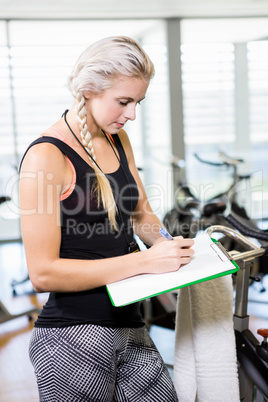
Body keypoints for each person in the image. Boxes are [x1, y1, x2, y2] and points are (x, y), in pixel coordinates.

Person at [19, 36, 194, 402]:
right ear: (88, 90)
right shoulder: (46, 156)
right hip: (71, 334)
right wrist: (144, 260)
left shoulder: (119, 139)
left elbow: (143, 213)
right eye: (124, 101)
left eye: (137, 103)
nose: (131, 114)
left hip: (129, 322)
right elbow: (43, 273)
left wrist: (165, 244)